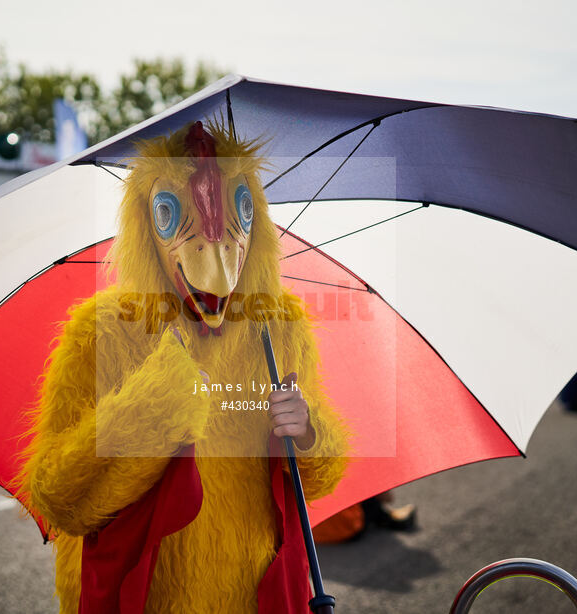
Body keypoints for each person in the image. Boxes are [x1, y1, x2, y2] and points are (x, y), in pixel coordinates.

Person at [18, 121, 349, 613]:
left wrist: (307, 431)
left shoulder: (277, 327)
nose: (214, 260)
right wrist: (150, 406)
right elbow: (58, 496)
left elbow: (319, 477)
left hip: (254, 591)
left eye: (241, 212)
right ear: (144, 224)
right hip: (145, 596)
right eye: (171, 214)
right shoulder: (105, 330)